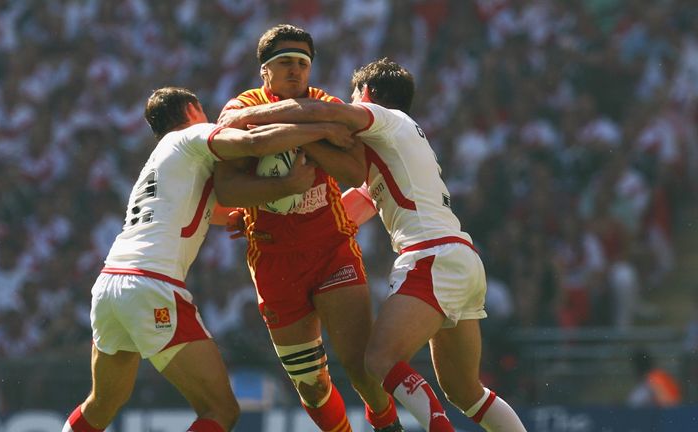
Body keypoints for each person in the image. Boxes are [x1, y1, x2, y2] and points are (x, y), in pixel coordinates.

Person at [219, 58, 528, 431]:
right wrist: (268, 211)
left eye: (353, 99)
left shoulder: (382, 117)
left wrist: (248, 121)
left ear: (366, 96)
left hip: (431, 257)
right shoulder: (397, 144)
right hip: (460, 258)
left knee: (378, 361)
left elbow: (318, 111)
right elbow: (356, 206)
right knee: (467, 393)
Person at [61, 86, 356, 432]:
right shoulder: (193, 135)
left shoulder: (158, 160)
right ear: (192, 109)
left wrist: (241, 214)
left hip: (110, 285)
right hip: (151, 285)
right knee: (221, 409)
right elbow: (254, 144)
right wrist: (321, 131)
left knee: (102, 404)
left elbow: (200, 207)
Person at [214, 25, 402, 432]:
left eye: (302, 64)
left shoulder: (326, 105)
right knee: (312, 387)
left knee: (361, 366)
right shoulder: (241, 107)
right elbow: (226, 187)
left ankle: (389, 425)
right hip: (274, 261)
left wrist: (306, 138)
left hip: (331, 248)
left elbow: (356, 172)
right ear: (265, 72)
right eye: (285, 64)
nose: (296, 72)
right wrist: (287, 182)